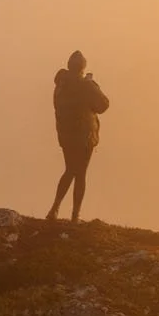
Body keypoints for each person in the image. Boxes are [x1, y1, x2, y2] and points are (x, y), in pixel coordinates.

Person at [46, 50, 109, 223]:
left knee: (69, 170)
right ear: (82, 67)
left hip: (66, 136)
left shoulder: (60, 86)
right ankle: (75, 215)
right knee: (80, 174)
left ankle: (55, 208)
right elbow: (103, 105)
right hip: (84, 136)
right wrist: (92, 84)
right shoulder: (85, 86)